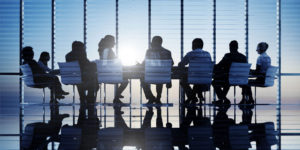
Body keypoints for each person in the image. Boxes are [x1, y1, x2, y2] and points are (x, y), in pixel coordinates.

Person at [212, 40, 247, 105]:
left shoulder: (228, 56)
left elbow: (219, 65)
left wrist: (212, 66)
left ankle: (223, 99)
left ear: (230, 47)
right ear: (237, 47)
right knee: (226, 82)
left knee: (214, 82)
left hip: (228, 79)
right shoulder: (243, 57)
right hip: (240, 80)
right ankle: (222, 99)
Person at [178, 38, 212, 104]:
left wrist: (188, 69)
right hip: (205, 79)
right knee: (197, 80)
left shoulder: (190, 54)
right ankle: (196, 96)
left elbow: (181, 64)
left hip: (194, 77)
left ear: (193, 45)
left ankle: (192, 97)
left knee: (183, 81)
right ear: (202, 46)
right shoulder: (208, 54)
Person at [141, 36, 174, 104]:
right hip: (163, 77)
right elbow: (172, 63)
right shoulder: (167, 52)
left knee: (142, 78)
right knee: (160, 76)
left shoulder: (149, 51)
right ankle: (158, 98)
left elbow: (144, 63)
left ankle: (151, 97)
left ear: (153, 42)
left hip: (151, 76)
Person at [98, 35, 128, 104]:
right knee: (125, 81)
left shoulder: (102, 50)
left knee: (124, 76)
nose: (114, 43)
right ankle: (116, 97)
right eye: (113, 41)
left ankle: (117, 95)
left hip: (104, 75)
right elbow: (115, 63)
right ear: (110, 42)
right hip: (111, 75)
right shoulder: (109, 51)